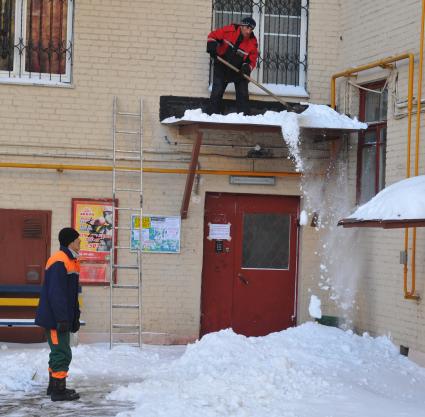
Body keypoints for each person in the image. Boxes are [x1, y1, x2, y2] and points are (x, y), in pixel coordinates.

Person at [35, 227, 81, 402]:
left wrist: (74, 317)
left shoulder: (71, 260)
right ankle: (58, 391)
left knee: (59, 352)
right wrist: (62, 318)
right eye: (77, 241)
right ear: (70, 242)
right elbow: (56, 294)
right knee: (61, 353)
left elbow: (71, 295)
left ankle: (54, 386)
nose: (80, 244)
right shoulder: (59, 261)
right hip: (55, 319)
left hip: (61, 317)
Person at [206, 17, 259, 115]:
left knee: (243, 94)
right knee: (216, 92)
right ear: (242, 26)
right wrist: (212, 47)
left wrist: (246, 67)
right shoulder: (229, 31)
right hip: (222, 65)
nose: (249, 31)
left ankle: (244, 118)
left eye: (251, 29)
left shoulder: (252, 42)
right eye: (247, 28)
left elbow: (252, 59)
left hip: (238, 70)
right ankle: (211, 116)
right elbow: (213, 36)